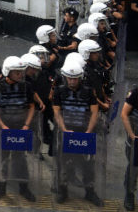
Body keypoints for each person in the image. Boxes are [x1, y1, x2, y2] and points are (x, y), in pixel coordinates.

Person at [52, 59, 101, 206]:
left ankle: (90, 192)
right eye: (69, 78)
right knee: (64, 162)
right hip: (66, 133)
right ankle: (62, 190)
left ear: (80, 78)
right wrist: (64, 130)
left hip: (84, 132)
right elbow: (57, 112)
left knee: (87, 164)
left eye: (75, 78)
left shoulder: (88, 92)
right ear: (65, 78)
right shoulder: (59, 91)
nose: (72, 81)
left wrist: (88, 132)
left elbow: (94, 112)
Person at [0, 56, 36, 201]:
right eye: (17, 72)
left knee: (20, 158)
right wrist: (2, 126)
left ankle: (24, 188)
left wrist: (26, 125)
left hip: (21, 127)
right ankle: (1, 187)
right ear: (7, 72)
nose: (21, 75)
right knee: (2, 157)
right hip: (3, 128)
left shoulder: (26, 85)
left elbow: (31, 106)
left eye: (21, 72)